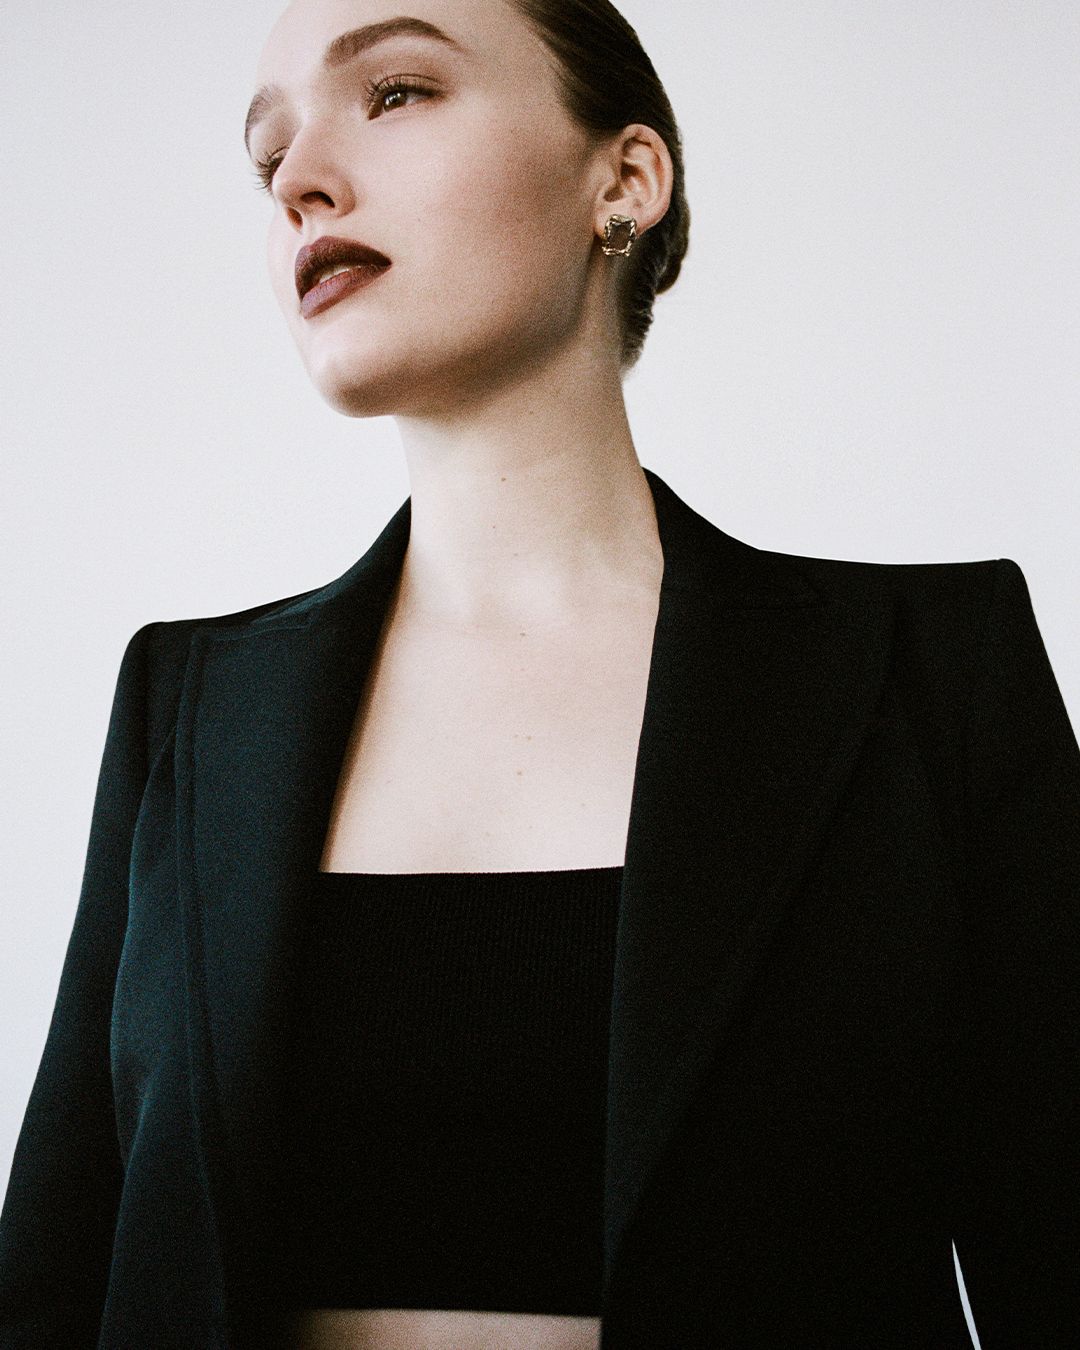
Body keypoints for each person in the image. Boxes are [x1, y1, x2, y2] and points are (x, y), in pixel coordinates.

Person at [2, 0, 1079, 1346]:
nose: (300, 181)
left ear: (623, 179)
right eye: (267, 155)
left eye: (396, 92)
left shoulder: (931, 678)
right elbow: (53, 1288)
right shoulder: (188, 707)